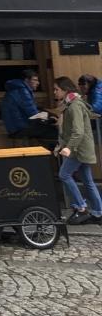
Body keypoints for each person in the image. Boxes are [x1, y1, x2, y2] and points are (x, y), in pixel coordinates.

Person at [53, 76, 102, 225]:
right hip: (81, 148)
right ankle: (98, 213)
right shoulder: (72, 103)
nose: (54, 92)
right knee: (88, 181)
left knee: (64, 174)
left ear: (65, 90)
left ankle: (81, 207)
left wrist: (68, 147)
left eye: (56, 89)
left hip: (77, 150)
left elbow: (78, 131)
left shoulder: (74, 105)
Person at [0, 69, 57, 146]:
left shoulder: (16, 89)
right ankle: (50, 153)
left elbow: (30, 109)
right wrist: (51, 118)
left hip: (15, 128)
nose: (38, 83)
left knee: (46, 130)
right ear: (27, 80)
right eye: (35, 80)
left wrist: (47, 115)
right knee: (55, 131)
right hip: (20, 129)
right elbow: (33, 115)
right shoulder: (22, 91)